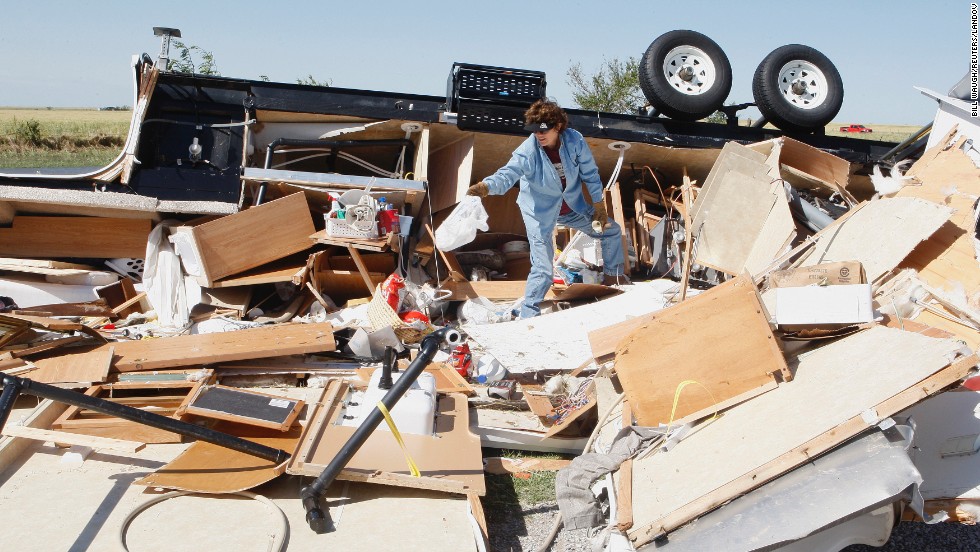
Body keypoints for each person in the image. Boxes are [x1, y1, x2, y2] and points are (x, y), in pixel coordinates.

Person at [467, 99, 628, 319]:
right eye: (534, 131)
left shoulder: (575, 141)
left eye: (543, 131)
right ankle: (528, 314)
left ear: (558, 127)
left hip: (572, 206)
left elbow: (590, 173)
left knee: (610, 231)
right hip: (538, 212)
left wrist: (598, 204)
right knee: (543, 269)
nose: (538, 135)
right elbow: (507, 174)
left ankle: (613, 281)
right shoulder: (527, 151)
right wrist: (485, 187)